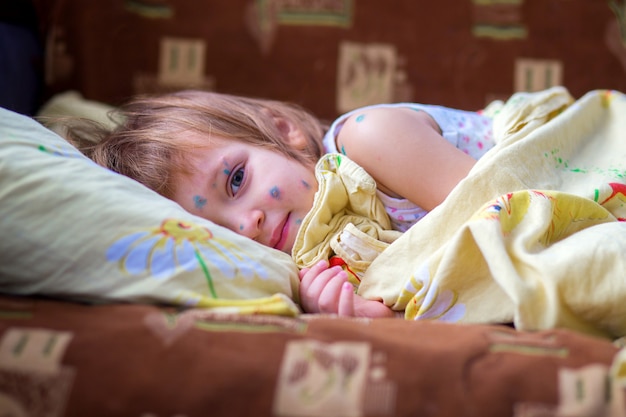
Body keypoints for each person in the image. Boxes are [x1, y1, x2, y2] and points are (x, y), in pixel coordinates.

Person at [65, 90, 495, 318]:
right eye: (216, 229)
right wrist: (377, 312)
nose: (245, 226)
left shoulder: (369, 138)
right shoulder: (324, 262)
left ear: (283, 130)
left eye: (235, 179)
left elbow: (506, 219)